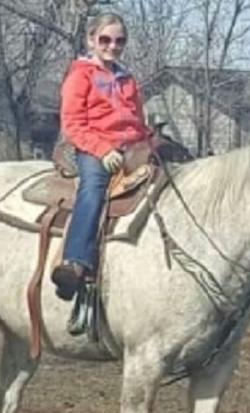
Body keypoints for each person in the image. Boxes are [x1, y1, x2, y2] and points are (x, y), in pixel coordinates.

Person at [51, 12, 151, 301]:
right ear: (91, 40)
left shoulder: (128, 80)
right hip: (94, 148)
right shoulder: (80, 75)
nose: (112, 46)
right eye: (105, 39)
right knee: (93, 189)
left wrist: (147, 145)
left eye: (119, 41)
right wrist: (102, 150)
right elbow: (73, 124)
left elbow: (138, 121)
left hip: (132, 148)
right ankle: (75, 261)